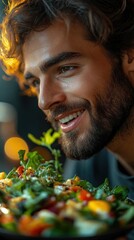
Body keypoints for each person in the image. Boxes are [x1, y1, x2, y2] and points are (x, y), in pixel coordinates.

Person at [0, 0, 134, 239]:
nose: (43, 101)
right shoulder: (86, 168)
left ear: (128, 56)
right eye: (35, 82)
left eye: (65, 68)